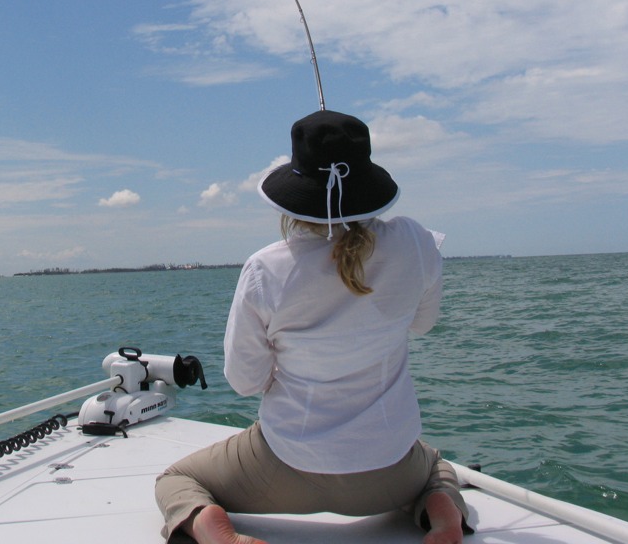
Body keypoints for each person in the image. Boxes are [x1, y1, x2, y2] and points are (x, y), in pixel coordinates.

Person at [155, 109, 471, 544]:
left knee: (176, 479)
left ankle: (213, 530)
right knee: (437, 467)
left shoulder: (266, 268)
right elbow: (423, 324)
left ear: (296, 192)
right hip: (391, 471)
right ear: (368, 181)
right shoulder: (416, 243)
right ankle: (443, 513)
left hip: (285, 466)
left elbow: (245, 382)